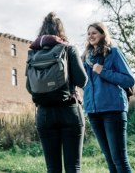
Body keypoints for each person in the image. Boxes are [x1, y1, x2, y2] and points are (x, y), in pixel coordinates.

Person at [29, 12, 88, 173]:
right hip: (69, 110)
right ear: (61, 31)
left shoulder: (33, 54)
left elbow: (29, 87)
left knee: (52, 169)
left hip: (44, 114)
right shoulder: (68, 49)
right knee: (73, 167)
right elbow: (82, 81)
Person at [82, 22, 135, 173]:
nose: (90, 36)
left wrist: (103, 71)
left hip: (113, 109)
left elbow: (129, 80)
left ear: (103, 34)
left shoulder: (114, 52)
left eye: (94, 33)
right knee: (109, 159)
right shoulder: (86, 57)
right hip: (93, 111)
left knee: (119, 159)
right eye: (89, 33)